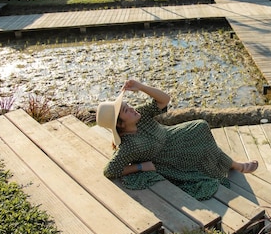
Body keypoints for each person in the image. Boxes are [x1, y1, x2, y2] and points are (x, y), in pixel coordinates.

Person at [96, 79, 258, 200]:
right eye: (126, 110)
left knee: (200, 130)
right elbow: (110, 171)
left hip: (172, 136)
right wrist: (140, 167)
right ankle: (235, 165)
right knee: (200, 130)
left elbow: (164, 99)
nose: (131, 108)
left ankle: (233, 165)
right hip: (168, 158)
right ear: (120, 124)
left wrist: (141, 87)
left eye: (128, 105)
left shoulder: (140, 115)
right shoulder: (129, 146)